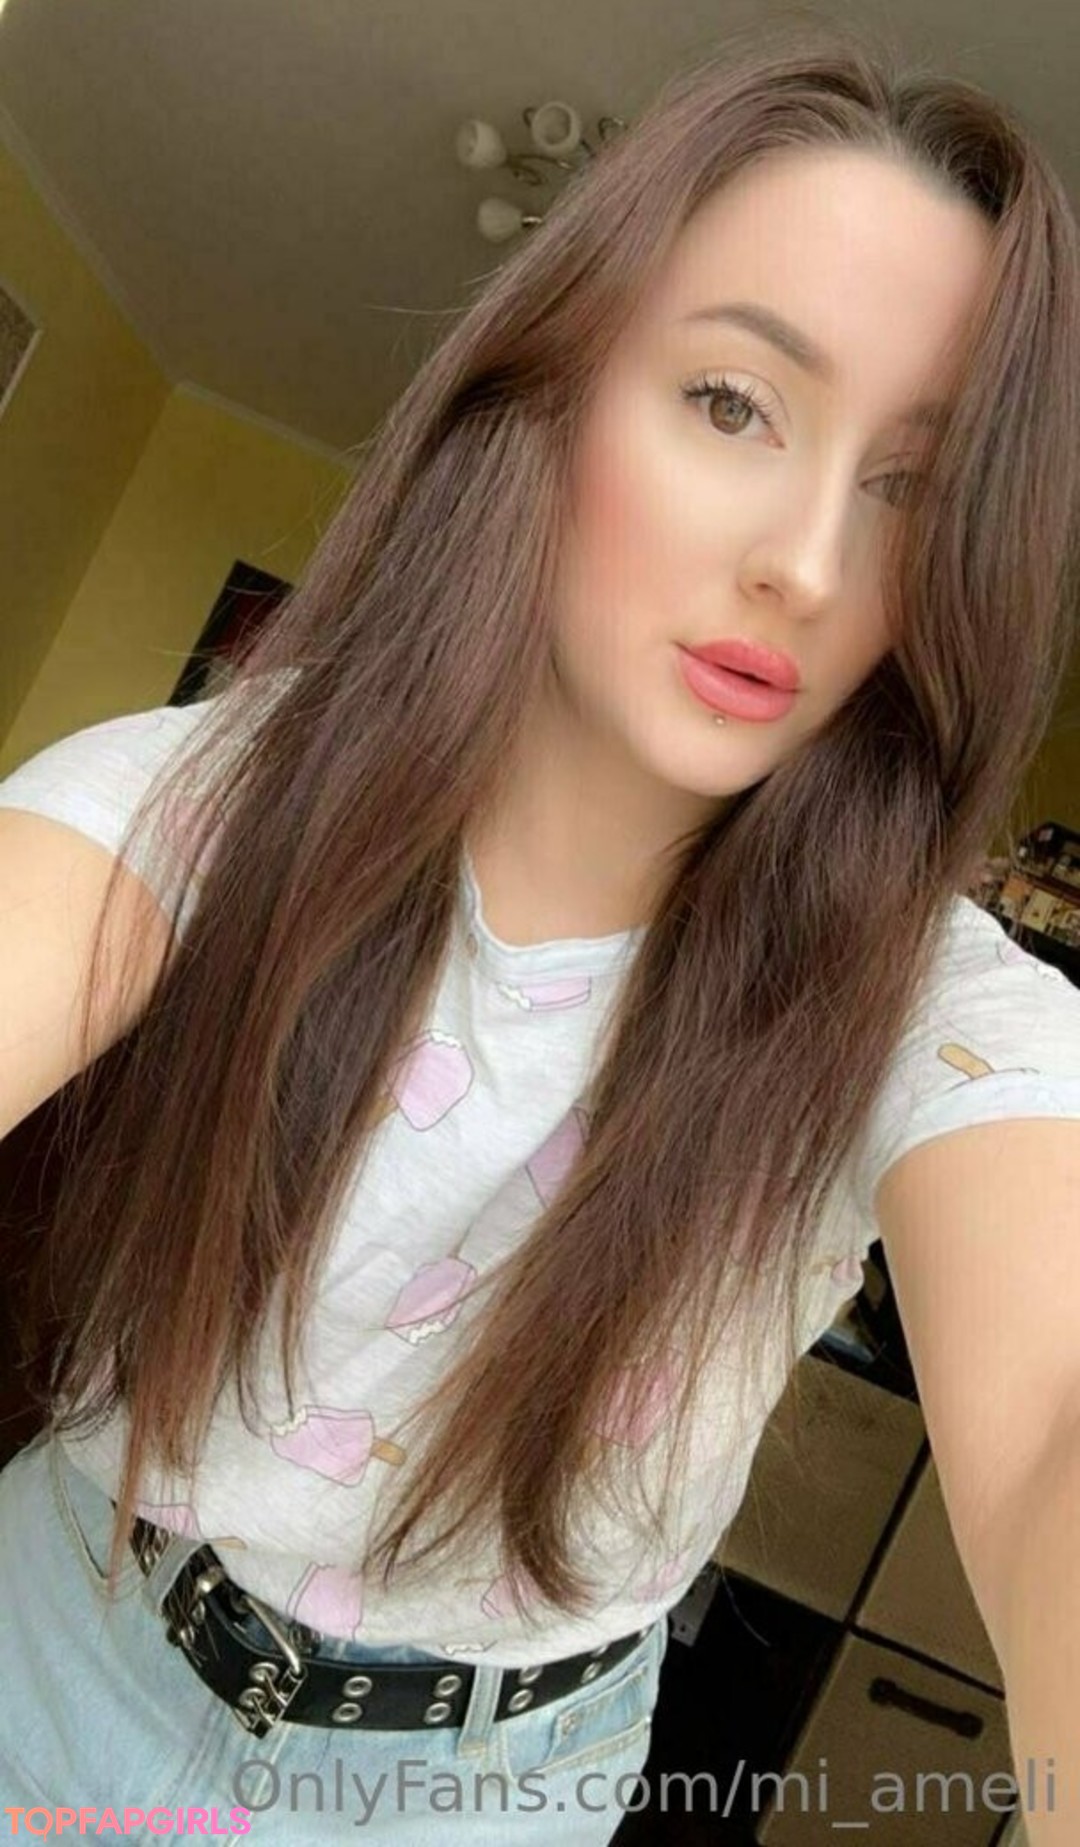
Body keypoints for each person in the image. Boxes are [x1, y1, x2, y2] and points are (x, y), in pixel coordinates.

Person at [3, 17, 1080, 1844]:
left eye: (910, 485)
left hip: (487, 1789)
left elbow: (1054, 1419)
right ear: (556, 395)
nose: (811, 565)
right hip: (60, 1623)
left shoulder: (922, 1005)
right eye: (733, 403)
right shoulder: (233, 793)